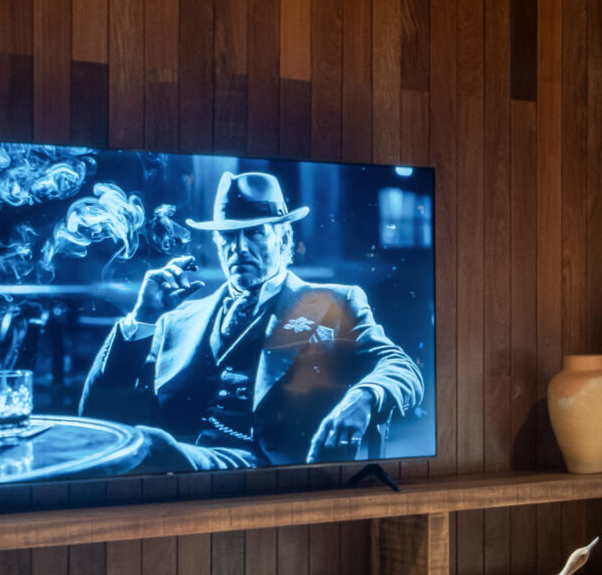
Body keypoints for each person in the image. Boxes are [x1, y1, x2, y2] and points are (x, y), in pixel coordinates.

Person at [80, 171, 424, 470]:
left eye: (254, 233)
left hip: (266, 468)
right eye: (228, 236)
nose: (240, 248)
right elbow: (97, 414)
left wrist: (366, 395)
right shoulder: (178, 317)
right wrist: (143, 318)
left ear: (283, 238)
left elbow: (400, 367)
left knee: (149, 446)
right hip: (178, 468)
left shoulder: (333, 303)